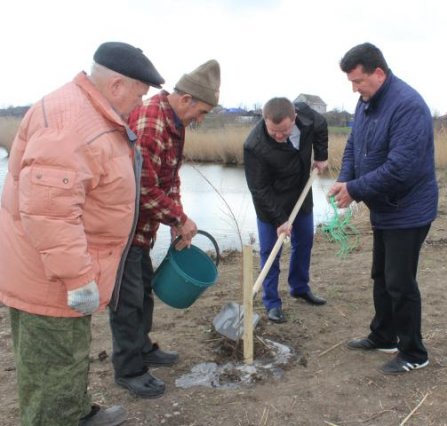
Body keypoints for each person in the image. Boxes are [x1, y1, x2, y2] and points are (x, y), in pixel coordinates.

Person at [0, 41, 164, 425]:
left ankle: (75, 412)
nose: (140, 105)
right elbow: (49, 210)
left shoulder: (93, 112)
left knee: (69, 350)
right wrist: (77, 277)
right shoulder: (71, 123)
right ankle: (58, 418)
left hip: (62, 265)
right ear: (118, 85)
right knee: (52, 360)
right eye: (140, 94)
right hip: (50, 275)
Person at [109, 60, 221, 398]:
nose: (199, 120)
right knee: (126, 301)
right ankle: (129, 369)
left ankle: (142, 348)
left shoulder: (175, 123)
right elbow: (141, 187)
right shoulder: (151, 121)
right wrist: (177, 218)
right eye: (200, 112)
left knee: (143, 289)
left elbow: (169, 179)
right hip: (123, 226)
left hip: (143, 228)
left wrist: (178, 221)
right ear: (185, 99)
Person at [328, 42, 438, 374]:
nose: (354, 88)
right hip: (385, 208)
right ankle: (384, 334)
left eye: (358, 81)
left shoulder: (408, 106)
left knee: (400, 281)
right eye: (350, 82)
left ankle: (414, 352)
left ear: (379, 73)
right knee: (381, 275)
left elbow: (399, 168)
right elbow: (353, 146)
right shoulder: (365, 104)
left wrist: (355, 190)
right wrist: (345, 179)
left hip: (409, 208)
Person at [244, 97, 329, 324]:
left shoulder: (309, 118)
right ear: (265, 121)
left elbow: (321, 126)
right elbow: (259, 189)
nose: (280, 137)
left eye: (284, 131)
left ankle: (299, 287)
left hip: (302, 192)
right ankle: (272, 302)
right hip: (271, 202)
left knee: (304, 242)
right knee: (271, 251)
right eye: (274, 132)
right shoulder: (254, 145)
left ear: (295, 119)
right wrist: (280, 220)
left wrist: (321, 156)